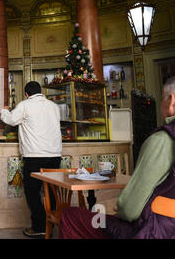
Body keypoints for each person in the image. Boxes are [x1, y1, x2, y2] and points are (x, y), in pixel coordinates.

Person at [59, 76, 175, 239]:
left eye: (162, 98)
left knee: (70, 216)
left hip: (155, 230)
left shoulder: (162, 140)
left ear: (171, 100)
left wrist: (122, 209)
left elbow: (129, 210)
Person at [0, 81, 62, 238]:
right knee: (51, 191)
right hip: (55, 155)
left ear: (26, 94)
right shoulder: (54, 106)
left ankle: (39, 226)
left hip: (35, 156)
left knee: (32, 191)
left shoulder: (25, 105)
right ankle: (51, 224)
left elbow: (11, 120)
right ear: (40, 91)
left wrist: (4, 111)